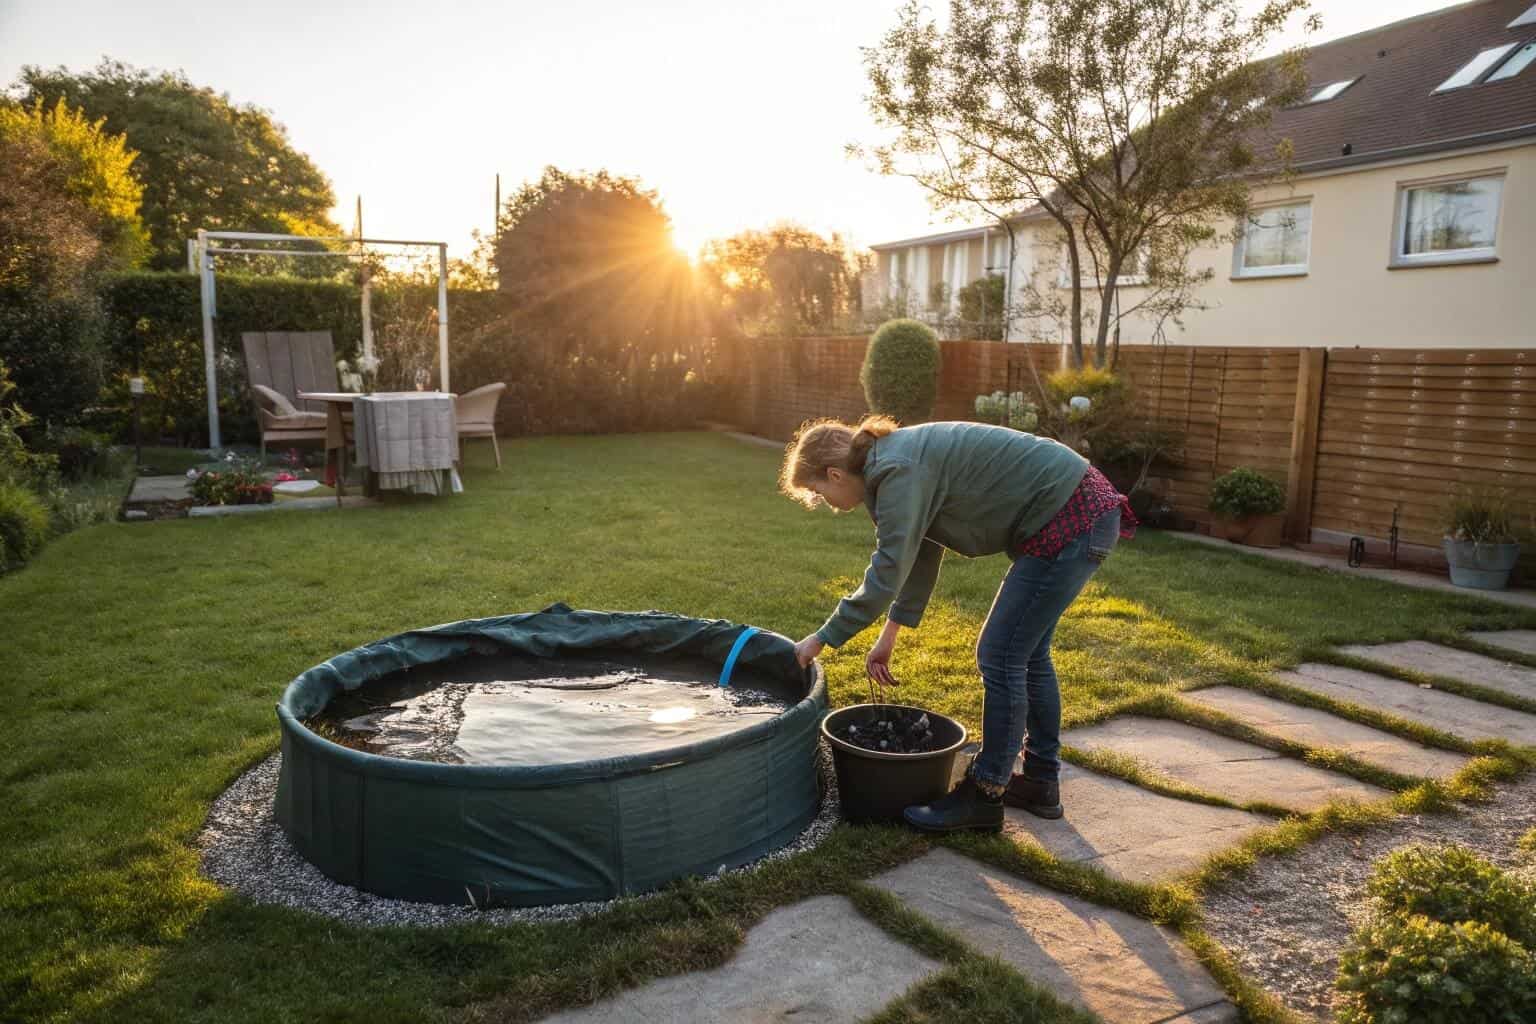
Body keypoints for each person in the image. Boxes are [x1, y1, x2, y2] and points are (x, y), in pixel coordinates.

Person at [781, 414, 1134, 832]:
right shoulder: (892, 463)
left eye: (819, 493)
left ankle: (985, 795)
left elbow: (885, 573)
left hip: (1070, 518)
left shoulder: (895, 470)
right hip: (1079, 511)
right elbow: (921, 555)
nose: (825, 503)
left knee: (1001, 655)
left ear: (835, 473)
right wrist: (889, 633)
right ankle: (1040, 783)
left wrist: (820, 640)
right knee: (1028, 654)